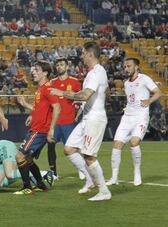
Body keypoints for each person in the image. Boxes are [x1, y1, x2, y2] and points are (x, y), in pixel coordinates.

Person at [50, 41, 112, 201]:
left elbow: (85, 95)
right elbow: (106, 91)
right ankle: (90, 179)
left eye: (84, 53)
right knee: (69, 149)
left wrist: (62, 93)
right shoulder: (96, 73)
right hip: (87, 117)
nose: (82, 56)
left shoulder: (96, 73)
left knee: (89, 156)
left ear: (90, 54)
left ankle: (104, 191)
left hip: (94, 119)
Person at [106, 58, 162, 186]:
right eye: (125, 66)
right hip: (127, 117)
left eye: (129, 66)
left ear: (136, 67)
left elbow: (158, 92)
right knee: (116, 144)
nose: (126, 69)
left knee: (134, 142)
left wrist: (149, 101)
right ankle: (114, 177)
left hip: (141, 117)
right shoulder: (126, 83)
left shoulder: (144, 78)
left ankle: (137, 172)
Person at [15, 61, 61, 195]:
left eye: (37, 70)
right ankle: (40, 184)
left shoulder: (47, 88)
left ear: (45, 73)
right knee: (28, 160)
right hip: (36, 128)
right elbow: (39, 109)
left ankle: (27, 187)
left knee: (19, 157)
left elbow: (57, 107)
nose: (33, 72)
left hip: (40, 130)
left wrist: (52, 129)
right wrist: (28, 109)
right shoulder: (41, 89)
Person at [45, 57, 81, 180]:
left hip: (68, 121)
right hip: (54, 122)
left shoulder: (75, 82)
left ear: (67, 67)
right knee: (50, 146)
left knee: (72, 148)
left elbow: (79, 99)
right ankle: (53, 173)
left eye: (61, 64)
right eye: (57, 65)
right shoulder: (51, 83)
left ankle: (81, 169)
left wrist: (77, 110)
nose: (59, 67)